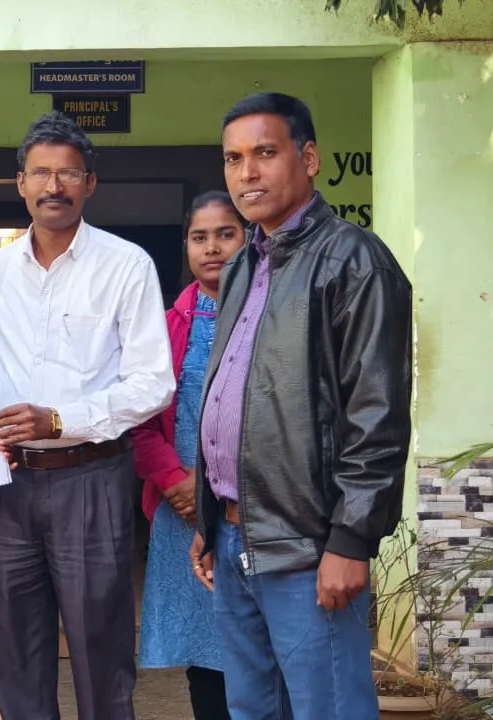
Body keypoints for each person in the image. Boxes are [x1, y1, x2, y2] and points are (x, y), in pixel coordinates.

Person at [191, 92, 412, 720]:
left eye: (265, 153)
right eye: (233, 159)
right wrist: (212, 517)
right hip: (237, 540)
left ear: (308, 158)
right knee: (252, 711)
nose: (247, 173)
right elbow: (230, 396)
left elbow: (378, 417)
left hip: (310, 548)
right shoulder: (241, 269)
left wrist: (350, 540)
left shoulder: (354, 262)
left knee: (329, 711)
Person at [0, 112, 175, 720]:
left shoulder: (126, 264)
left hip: (91, 479)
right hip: (9, 485)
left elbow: (154, 383)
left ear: (89, 184)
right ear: (20, 184)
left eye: (68, 174)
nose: (53, 186)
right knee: (15, 649)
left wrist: (57, 419)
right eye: (40, 173)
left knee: (98, 646)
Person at [131, 191, 246, 720]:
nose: (212, 247)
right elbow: (141, 420)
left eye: (226, 233)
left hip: (258, 503)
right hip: (181, 507)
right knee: (203, 646)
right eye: (200, 237)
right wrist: (177, 483)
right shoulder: (164, 323)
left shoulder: (268, 317)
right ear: (186, 246)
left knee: (258, 641)